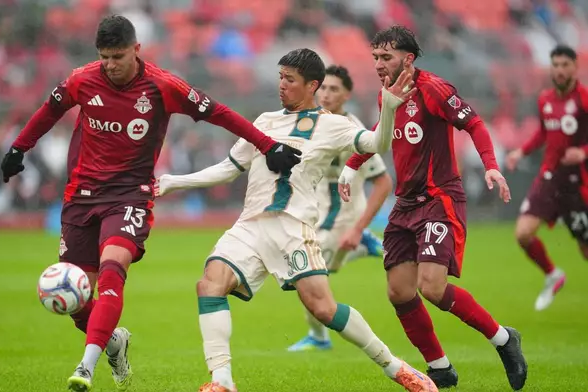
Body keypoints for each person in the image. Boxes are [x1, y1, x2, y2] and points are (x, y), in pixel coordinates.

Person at [0, 15, 301, 392]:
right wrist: (18, 148)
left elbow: (218, 112)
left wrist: (268, 145)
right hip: (80, 198)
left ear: (136, 50)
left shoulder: (161, 86)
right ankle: (113, 342)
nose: (110, 65)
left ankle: (86, 366)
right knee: (77, 299)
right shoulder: (82, 79)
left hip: (130, 196)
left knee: (113, 267)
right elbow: (50, 109)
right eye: (104, 57)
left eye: (118, 56)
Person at [157, 48, 438, 392]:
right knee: (209, 285)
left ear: (312, 86)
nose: (282, 85)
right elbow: (230, 169)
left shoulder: (334, 125)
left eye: (290, 80)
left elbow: (376, 144)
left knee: (323, 308)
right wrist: (175, 182)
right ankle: (222, 381)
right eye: (280, 78)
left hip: (293, 228)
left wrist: (390, 110)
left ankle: (396, 368)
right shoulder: (264, 121)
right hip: (250, 226)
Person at [338, 26, 527, 390]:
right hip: (406, 204)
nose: (378, 64)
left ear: (408, 59)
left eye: (386, 57)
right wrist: (352, 165)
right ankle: (440, 368)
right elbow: (382, 132)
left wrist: (490, 165)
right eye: (375, 57)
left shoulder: (434, 89)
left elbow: (473, 123)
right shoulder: (387, 95)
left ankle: (504, 339)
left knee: (432, 288)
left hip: (439, 199)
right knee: (399, 291)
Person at [287, 64, 393, 352]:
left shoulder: (354, 132)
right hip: (318, 216)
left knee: (305, 270)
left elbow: (383, 182)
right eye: (323, 87)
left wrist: (357, 228)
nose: (326, 94)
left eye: (334, 89)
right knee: (305, 271)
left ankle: (319, 338)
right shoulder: (313, 122)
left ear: (347, 95)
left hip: (343, 220)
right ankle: (363, 245)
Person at [506, 44, 588, 311]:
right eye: (556, 65)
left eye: (565, 65)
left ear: (575, 67)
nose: (560, 70)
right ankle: (553, 274)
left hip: (578, 184)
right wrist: (521, 151)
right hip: (549, 178)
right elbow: (543, 133)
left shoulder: (584, 99)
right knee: (523, 234)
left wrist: (583, 152)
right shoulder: (545, 99)